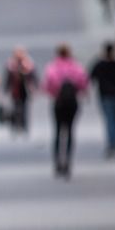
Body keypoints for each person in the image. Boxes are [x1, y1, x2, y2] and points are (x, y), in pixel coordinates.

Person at [42, 44, 89, 179]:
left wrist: (55, 92)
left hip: (59, 103)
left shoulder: (53, 67)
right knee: (70, 131)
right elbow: (83, 82)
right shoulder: (76, 66)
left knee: (57, 132)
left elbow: (47, 85)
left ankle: (57, 161)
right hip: (72, 103)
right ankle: (68, 160)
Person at [89, 43, 115, 157]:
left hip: (104, 94)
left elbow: (91, 76)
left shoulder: (100, 64)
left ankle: (112, 144)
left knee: (109, 120)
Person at [3, 46, 37, 135]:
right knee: (15, 108)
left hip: (25, 90)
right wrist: (6, 89)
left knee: (24, 108)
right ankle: (15, 126)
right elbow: (8, 78)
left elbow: (33, 77)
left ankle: (24, 126)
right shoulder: (11, 64)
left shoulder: (28, 64)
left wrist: (34, 87)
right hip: (15, 90)